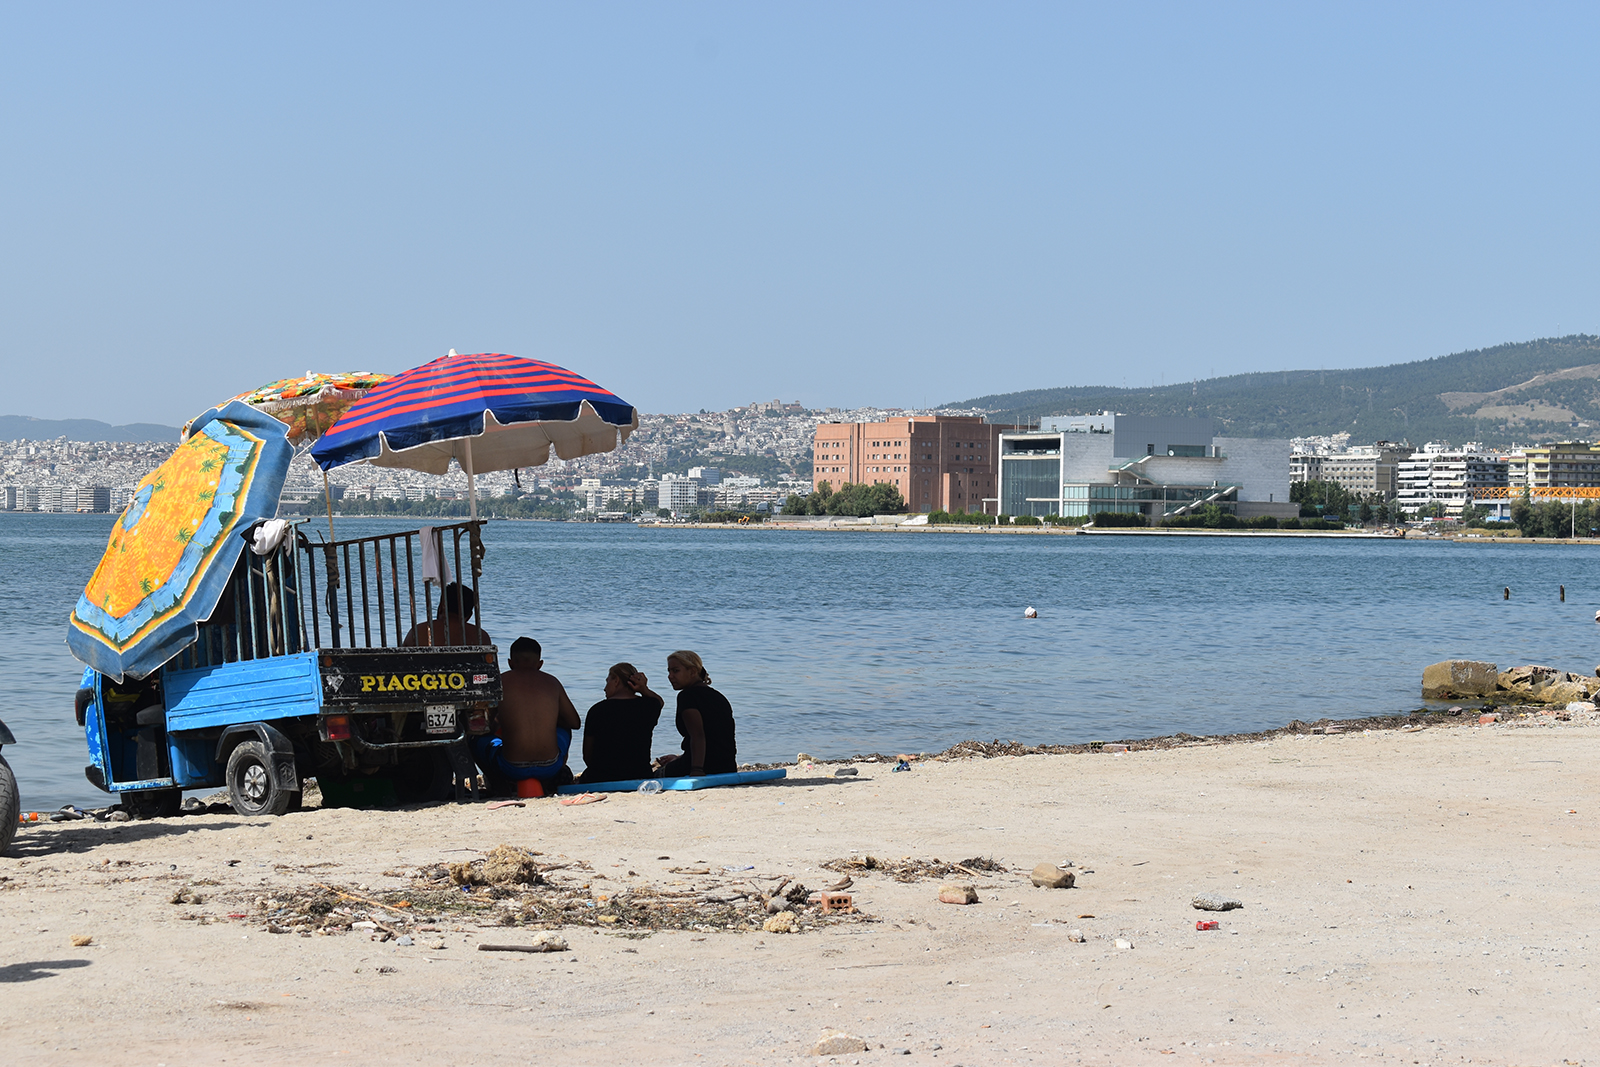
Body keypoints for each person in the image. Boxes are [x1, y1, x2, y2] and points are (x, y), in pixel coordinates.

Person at [471, 637, 579, 794]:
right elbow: (574, 722)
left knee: (475, 739)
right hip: (550, 767)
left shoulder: (500, 682)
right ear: (540, 664)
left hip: (511, 768)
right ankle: (549, 782)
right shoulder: (552, 682)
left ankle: (498, 784)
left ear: (510, 662)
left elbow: (481, 723)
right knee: (564, 728)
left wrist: (499, 723)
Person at [577, 663, 664, 784]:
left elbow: (587, 755)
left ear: (616, 681)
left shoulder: (597, 710)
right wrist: (644, 689)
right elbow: (659, 702)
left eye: (607, 682)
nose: (605, 688)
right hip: (639, 774)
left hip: (600, 776)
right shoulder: (649, 706)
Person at [655, 650, 737, 778]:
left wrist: (696, 770)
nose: (670, 676)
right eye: (669, 671)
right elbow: (715, 740)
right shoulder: (718, 696)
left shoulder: (687, 696)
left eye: (675, 671)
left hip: (704, 766)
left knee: (655, 774)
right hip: (726, 766)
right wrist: (678, 758)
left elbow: (698, 735)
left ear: (692, 671)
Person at [401, 582, 491, 647]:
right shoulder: (481, 637)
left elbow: (399, 664)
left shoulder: (418, 632)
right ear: (469, 616)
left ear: (441, 607)